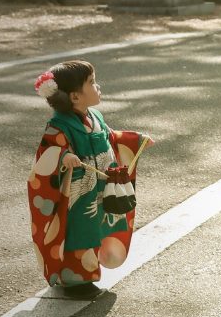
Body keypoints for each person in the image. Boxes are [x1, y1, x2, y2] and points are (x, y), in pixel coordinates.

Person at [28, 60, 153, 300]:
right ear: (75, 97)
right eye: (92, 83)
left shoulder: (94, 116)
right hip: (76, 194)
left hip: (97, 188)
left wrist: (134, 139)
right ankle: (76, 281)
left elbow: (109, 138)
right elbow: (48, 153)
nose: (98, 86)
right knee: (79, 232)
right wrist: (65, 157)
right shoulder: (58, 126)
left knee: (96, 229)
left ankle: (83, 274)